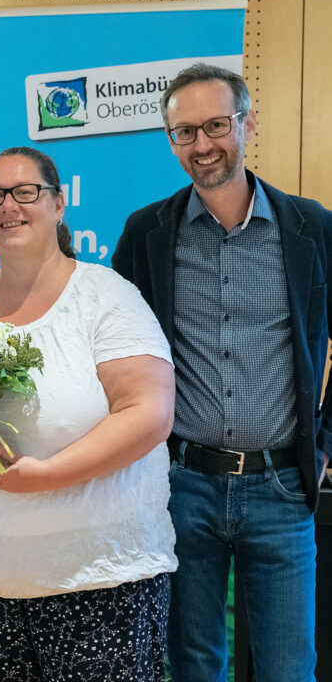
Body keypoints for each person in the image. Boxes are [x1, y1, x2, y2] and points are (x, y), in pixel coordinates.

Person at [0, 146, 177, 681]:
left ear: (58, 204)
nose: (9, 206)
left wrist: (44, 478)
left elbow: (149, 412)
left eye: (27, 192)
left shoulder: (106, 297)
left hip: (98, 582)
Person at [113, 63, 331, 681]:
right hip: (182, 482)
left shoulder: (311, 228)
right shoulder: (147, 233)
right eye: (185, 132)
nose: (203, 145)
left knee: (289, 668)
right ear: (171, 141)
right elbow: (115, 348)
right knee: (192, 665)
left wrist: (325, 442)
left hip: (284, 488)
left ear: (248, 123)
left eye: (216, 125)